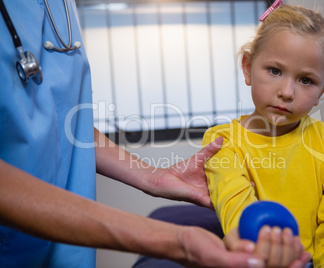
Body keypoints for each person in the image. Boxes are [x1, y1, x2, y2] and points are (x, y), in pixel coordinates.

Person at [0, 0, 266, 267]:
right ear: (248, 67)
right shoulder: (227, 138)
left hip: (65, 246)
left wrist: (155, 177)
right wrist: (175, 240)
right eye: (274, 71)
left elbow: (64, 121)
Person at [202, 3, 324, 268]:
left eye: (306, 80)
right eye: (275, 71)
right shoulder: (222, 141)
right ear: (247, 68)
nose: (287, 92)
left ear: (321, 92)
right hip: (256, 256)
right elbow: (235, 205)